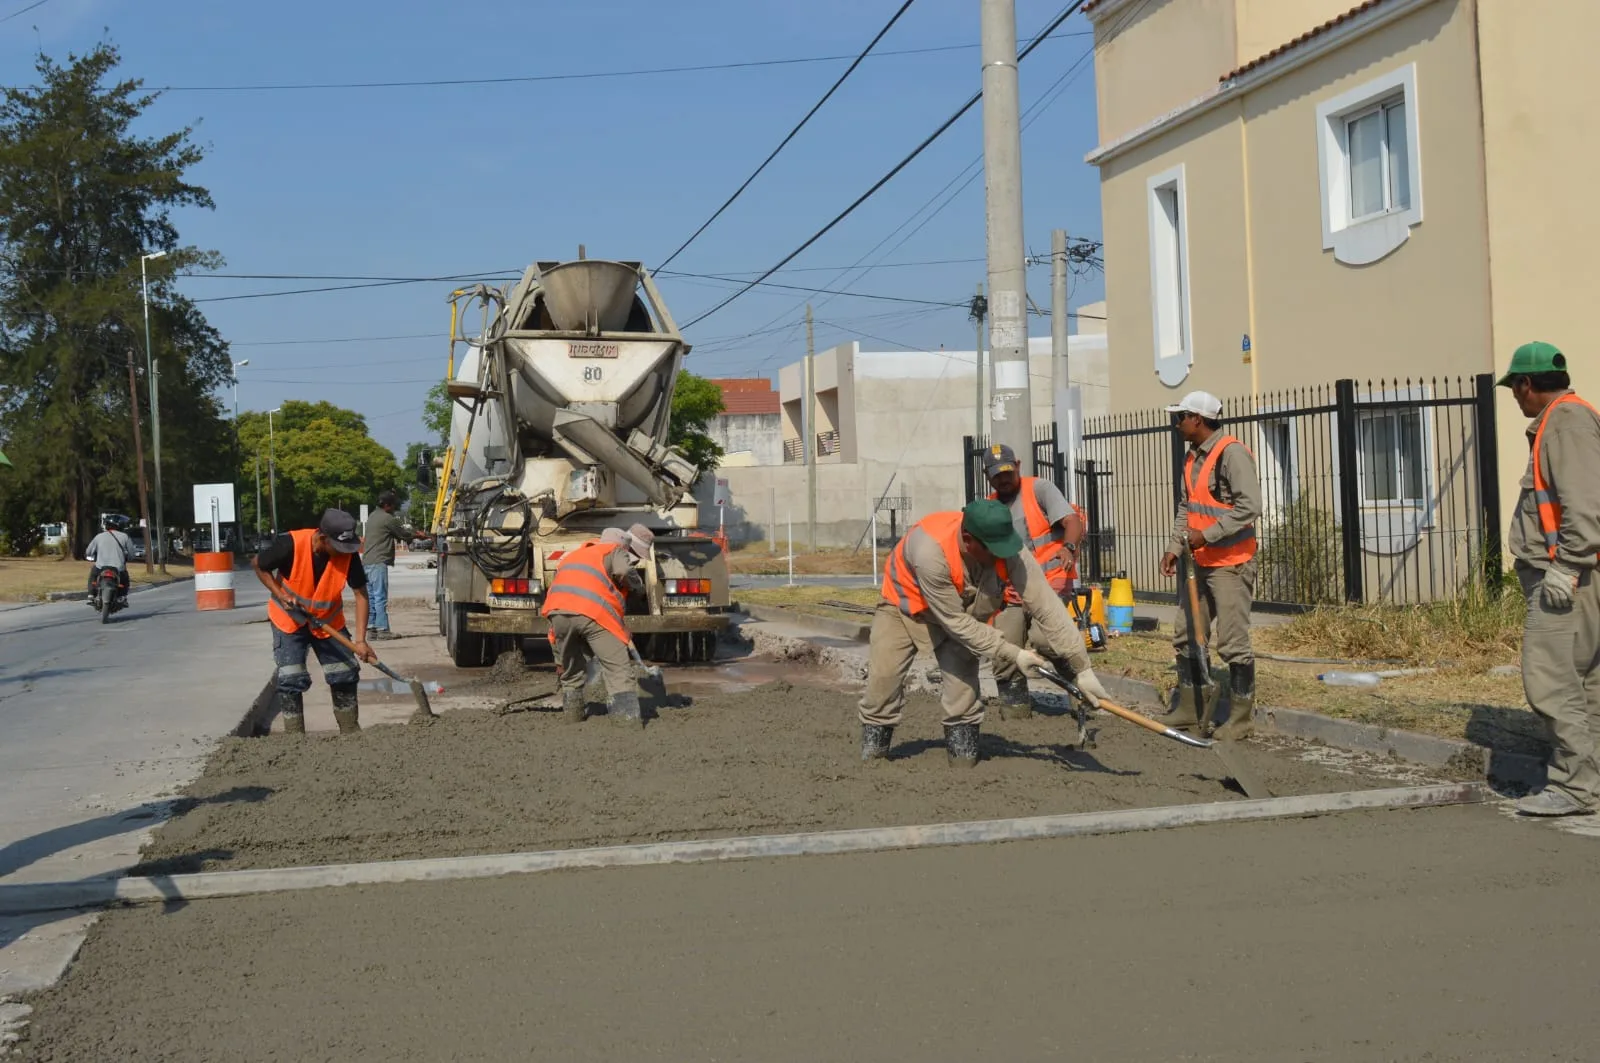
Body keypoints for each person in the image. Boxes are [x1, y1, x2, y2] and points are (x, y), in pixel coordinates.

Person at [859, 499, 1111, 767]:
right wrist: (1013, 653)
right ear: (969, 540)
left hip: (964, 611)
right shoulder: (929, 552)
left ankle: (963, 761)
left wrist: (1081, 667)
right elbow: (954, 622)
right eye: (995, 550)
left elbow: (1046, 604)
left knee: (963, 693)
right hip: (904, 607)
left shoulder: (1007, 547)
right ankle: (874, 758)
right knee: (882, 684)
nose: (1003, 555)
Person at [1499, 342, 1600, 817]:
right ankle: (1588, 781)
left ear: (1526, 384)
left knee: (1551, 680)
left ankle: (1574, 786)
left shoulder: (1565, 423)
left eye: (1515, 389)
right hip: (1579, 576)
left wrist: (1567, 565)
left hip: (1566, 580)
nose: (1516, 398)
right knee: (1585, 684)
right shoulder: (1567, 420)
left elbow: (1585, 505)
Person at [1159, 390, 1261, 739]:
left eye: (1180, 418)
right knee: (1186, 634)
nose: (1176, 425)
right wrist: (1175, 547)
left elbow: (1249, 507)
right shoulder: (1192, 459)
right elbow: (1187, 509)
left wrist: (1210, 535)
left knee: (1232, 642)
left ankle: (1241, 719)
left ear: (1197, 420)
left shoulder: (1230, 453)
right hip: (1198, 563)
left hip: (1231, 564)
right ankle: (1189, 709)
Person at [982, 443, 1088, 719]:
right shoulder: (988, 508)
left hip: (1050, 584)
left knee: (1049, 641)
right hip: (1012, 594)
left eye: (1008, 472)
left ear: (1017, 466)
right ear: (987, 476)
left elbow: (1072, 522)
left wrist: (1070, 548)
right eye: (997, 475)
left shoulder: (1039, 489)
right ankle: (1015, 713)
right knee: (1005, 649)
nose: (1004, 479)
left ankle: (1082, 695)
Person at [251, 508, 377, 736]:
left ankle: (350, 733)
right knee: (291, 677)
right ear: (321, 538)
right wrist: (280, 594)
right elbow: (259, 564)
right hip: (289, 620)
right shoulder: (291, 544)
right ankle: (295, 738)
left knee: (345, 672)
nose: (343, 554)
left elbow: (361, 594)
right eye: (337, 548)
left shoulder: (348, 555)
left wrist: (361, 640)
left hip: (328, 621)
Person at [542, 523, 655, 727]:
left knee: (571, 671)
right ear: (624, 547)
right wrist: (637, 587)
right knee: (618, 669)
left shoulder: (574, 555)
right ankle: (626, 722)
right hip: (593, 614)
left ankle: (573, 717)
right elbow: (622, 571)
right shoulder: (614, 550)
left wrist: (560, 661)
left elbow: (568, 595)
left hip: (557, 613)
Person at [361, 490, 416, 640]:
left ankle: (372, 630)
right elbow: (403, 534)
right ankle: (383, 630)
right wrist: (417, 534)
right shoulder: (387, 518)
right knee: (380, 597)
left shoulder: (373, 516)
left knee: (371, 597)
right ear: (387, 505)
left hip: (367, 562)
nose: (394, 507)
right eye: (392, 505)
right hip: (378, 562)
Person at [84, 517, 133, 602]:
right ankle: (122, 595)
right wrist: (129, 558)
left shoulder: (98, 537)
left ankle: (91, 593)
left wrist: (89, 555)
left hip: (101, 567)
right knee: (125, 579)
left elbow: (88, 552)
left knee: (93, 575)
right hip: (119, 567)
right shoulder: (125, 537)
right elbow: (131, 554)